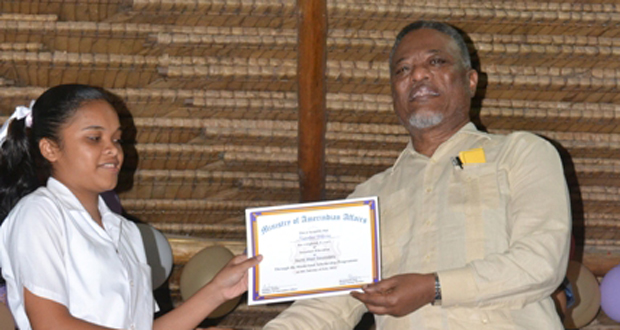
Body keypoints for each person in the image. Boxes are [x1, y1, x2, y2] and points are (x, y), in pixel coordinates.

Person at [263, 20, 571, 330]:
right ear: (394, 93)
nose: (418, 75)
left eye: (436, 62)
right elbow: (325, 306)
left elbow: (540, 263)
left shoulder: (522, 153)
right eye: (403, 70)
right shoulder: (368, 198)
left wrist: (433, 287)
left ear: (471, 81)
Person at [0, 84, 262, 330]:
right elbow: (51, 324)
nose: (112, 150)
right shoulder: (38, 214)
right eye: (94, 138)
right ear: (50, 148)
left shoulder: (127, 232)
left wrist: (218, 291)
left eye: (117, 140)